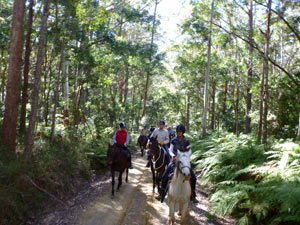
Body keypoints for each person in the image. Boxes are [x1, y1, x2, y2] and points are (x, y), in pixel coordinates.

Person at [155, 124, 199, 204]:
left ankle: (193, 195)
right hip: (175, 160)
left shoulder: (187, 141)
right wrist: (173, 156)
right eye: (178, 131)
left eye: (180, 132)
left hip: (184, 160)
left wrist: (186, 156)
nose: (179, 133)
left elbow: (189, 151)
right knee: (165, 176)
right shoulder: (173, 140)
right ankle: (162, 193)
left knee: (193, 177)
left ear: (183, 132)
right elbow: (170, 150)